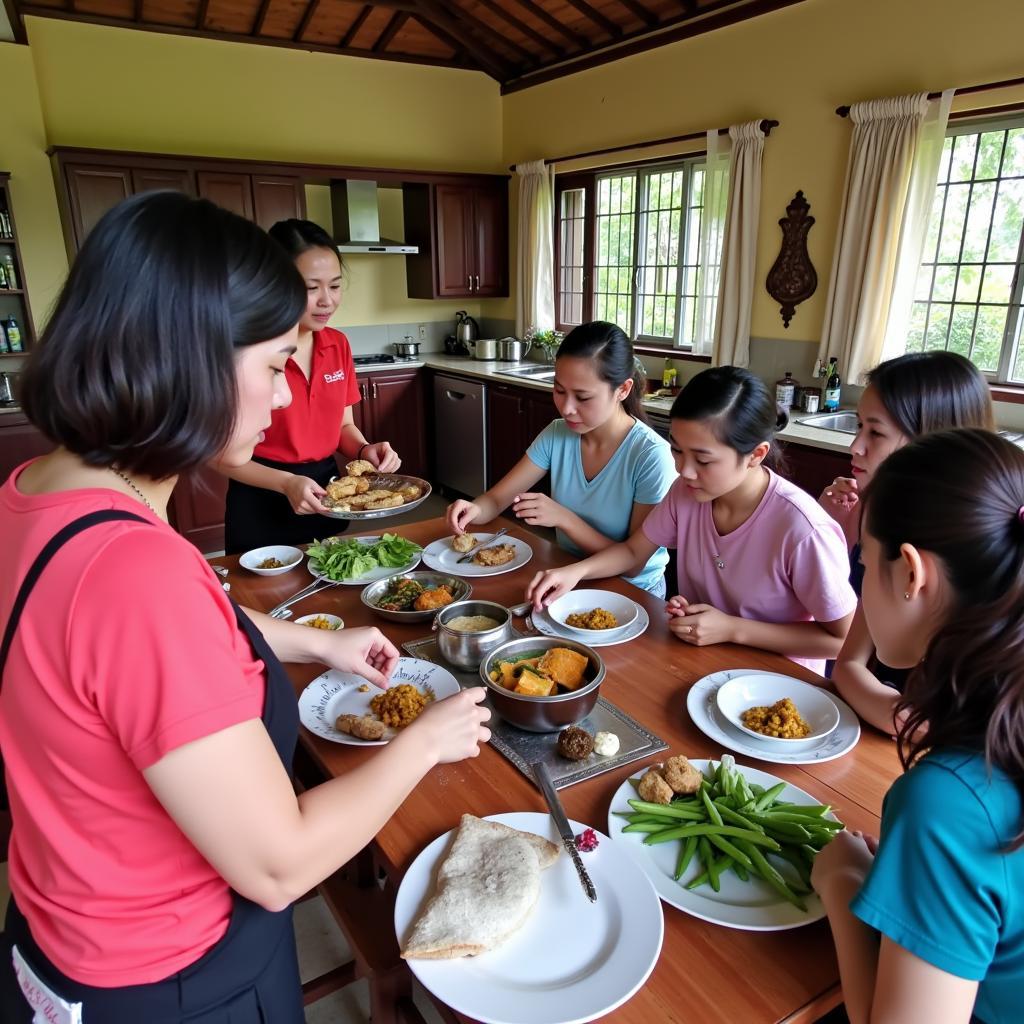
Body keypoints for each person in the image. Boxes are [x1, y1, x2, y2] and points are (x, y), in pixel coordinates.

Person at [0, 192, 490, 1023]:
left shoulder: (38, 493)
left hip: (58, 931)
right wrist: (424, 742)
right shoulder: (135, 569)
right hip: (170, 975)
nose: (274, 400)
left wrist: (314, 642)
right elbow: (279, 864)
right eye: (269, 366)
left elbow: (129, 656)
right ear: (189, 359)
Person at [811, 428, 1024, 1024]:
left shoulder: (947, 802)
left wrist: (843, 883)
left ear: (910, 572)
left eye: (862, 568)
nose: (860, 590)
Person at [528, 365, 857, 674]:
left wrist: (732, 629)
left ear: (756, 455)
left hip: (780, 684)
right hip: (701, 662)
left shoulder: (802, 529)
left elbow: (842, 640)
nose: (684, 470)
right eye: (677, 450)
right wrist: (574, 572)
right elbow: (632, 553)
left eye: (703, 459)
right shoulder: (687, 494)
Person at [826, 351, 994, 734]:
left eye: (876, 432)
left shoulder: (982, 557)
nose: (856, 446)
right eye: (859, 426)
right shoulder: (876, 519)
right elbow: (848, 663)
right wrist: (905, 719)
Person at [446, 321, 677, 595]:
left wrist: (564, 518)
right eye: (559, 390)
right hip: (567, 573)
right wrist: (475, 509)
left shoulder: (651, 456)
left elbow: (633, 563)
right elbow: (497, 499)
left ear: (623, 390)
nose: (567, 408)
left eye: (583, 397)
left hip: (632, 593)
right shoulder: (557, 434)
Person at [219, 218, 402, 554]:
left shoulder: (337, 344)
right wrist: (285, 483)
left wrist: (364, 451)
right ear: (275, 284)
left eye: (334, 286)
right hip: (261, 495)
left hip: (325, 491)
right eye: (311, 287)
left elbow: (343, 425)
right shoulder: (246, 349)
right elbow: (218, 453)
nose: (327, 301)